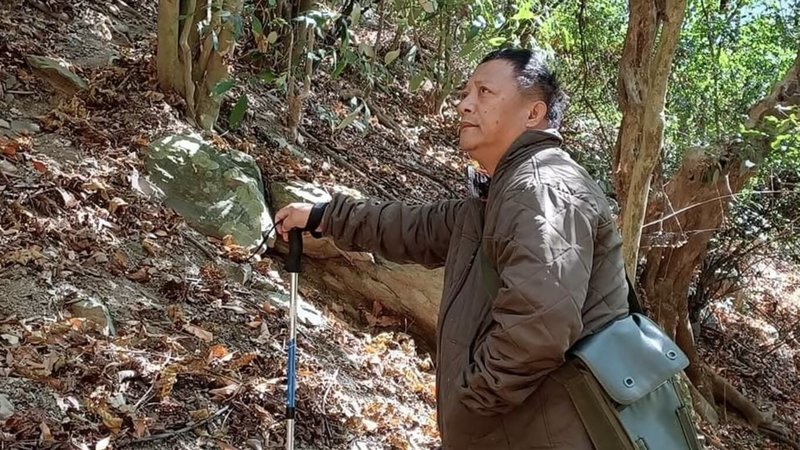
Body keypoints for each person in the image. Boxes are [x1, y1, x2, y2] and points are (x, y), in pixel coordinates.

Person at [275, 48, 630, 449]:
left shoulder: (542, 188)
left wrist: (472, 403)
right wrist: (325, 216)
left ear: (533, 114)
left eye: (484, 92)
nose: (464, 104)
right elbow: (413, 228)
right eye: (465, 92)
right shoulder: (500, 196)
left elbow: (539, 327)